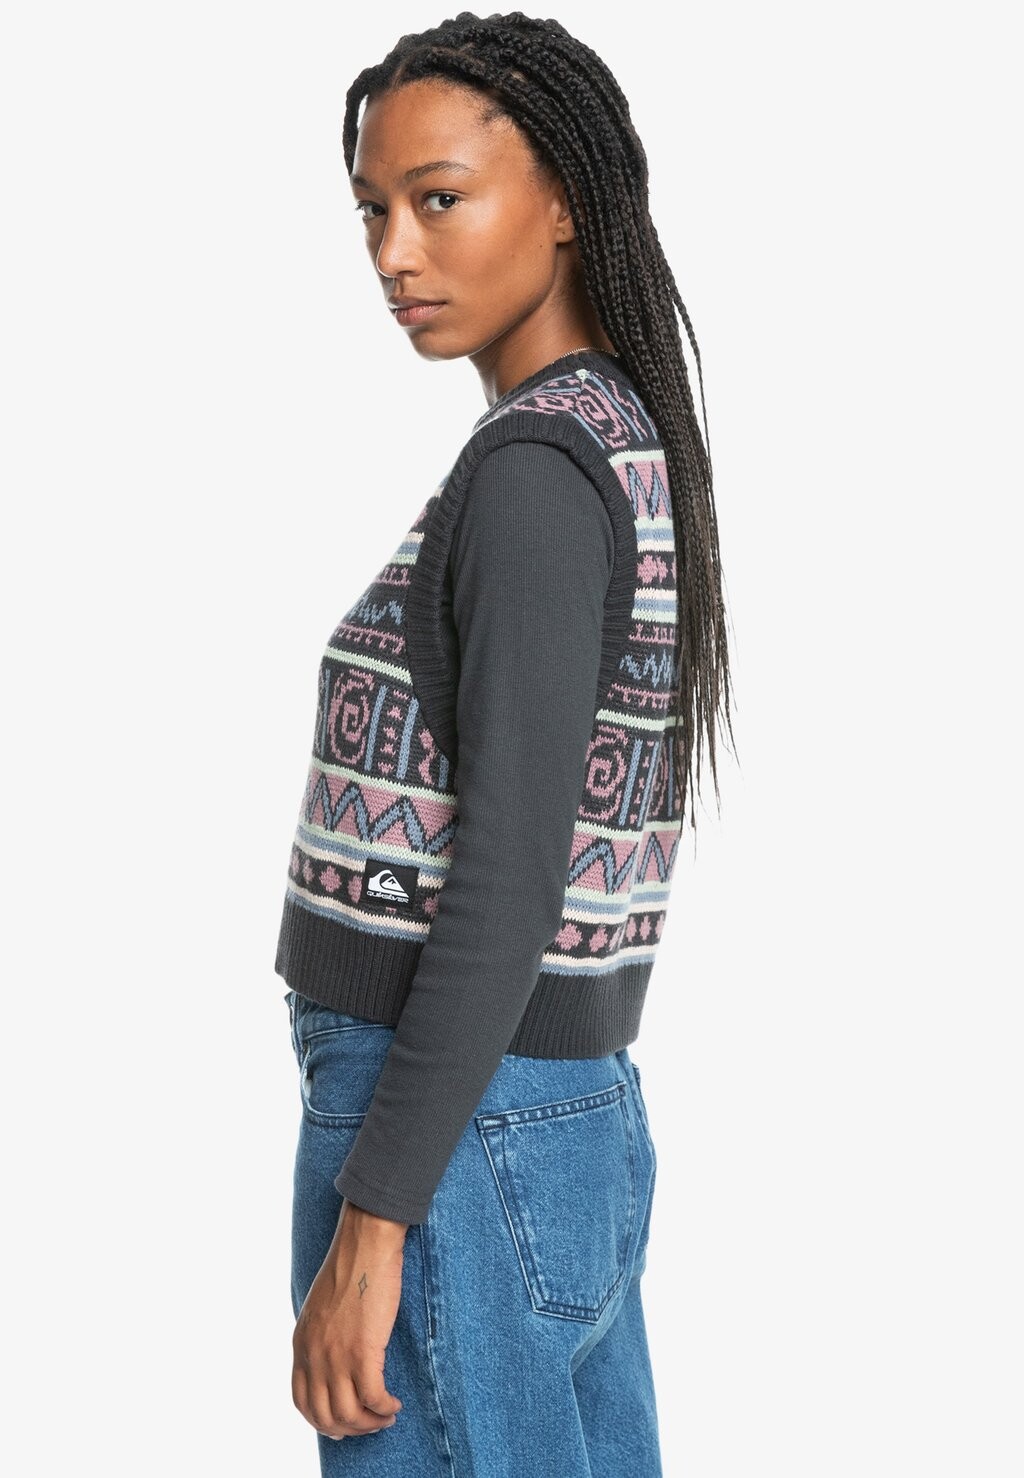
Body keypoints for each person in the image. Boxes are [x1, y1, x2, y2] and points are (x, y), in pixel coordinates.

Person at [276, 12, 736, 1474]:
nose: (394, 252)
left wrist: (375, 1217)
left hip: (451, 1122)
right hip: (542, 1117)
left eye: (439, 198)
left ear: (566, 201)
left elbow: (509, 879)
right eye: (372, 210)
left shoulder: (537, 471)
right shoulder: (613, 438)